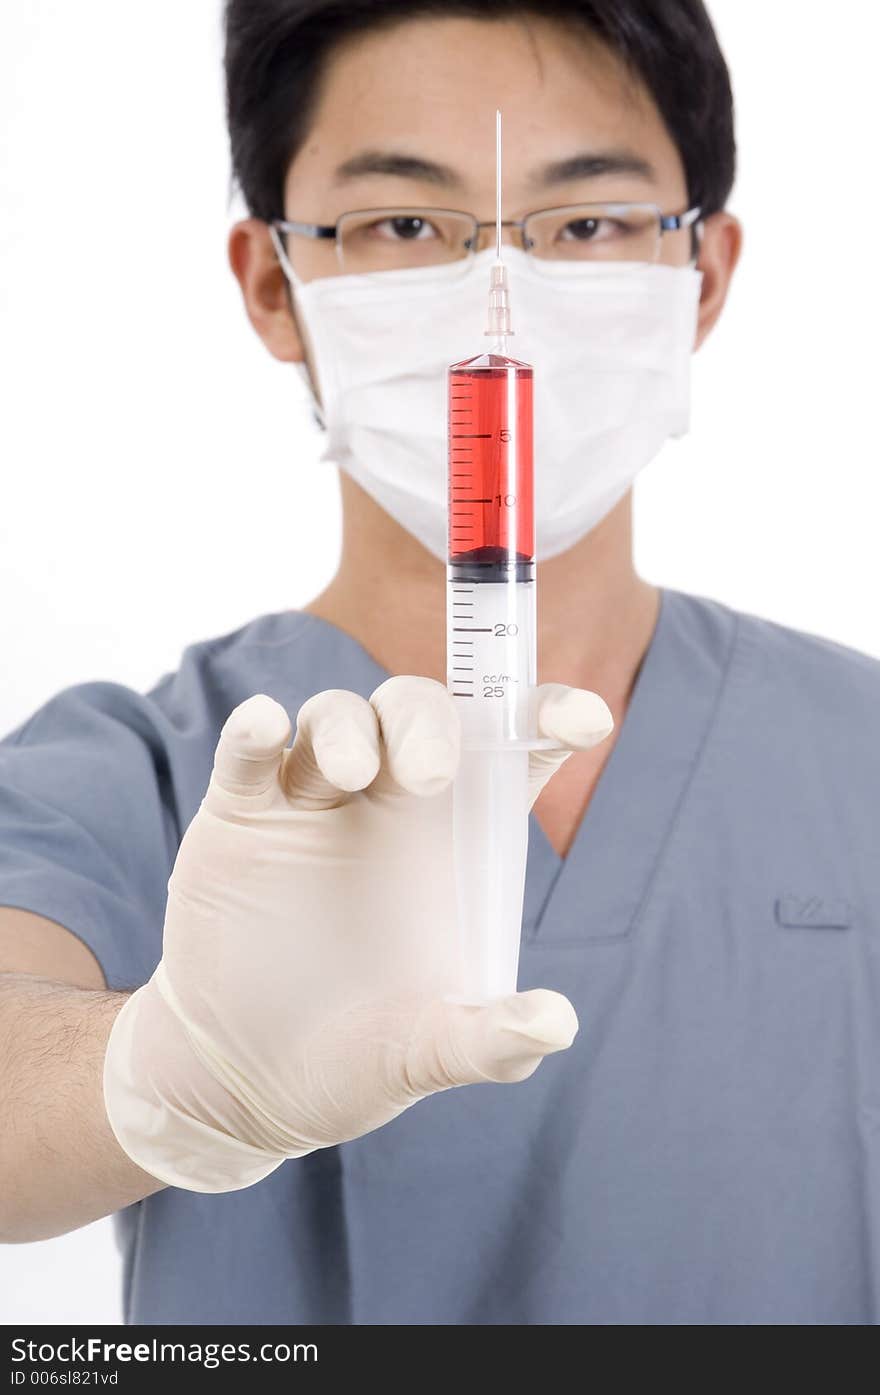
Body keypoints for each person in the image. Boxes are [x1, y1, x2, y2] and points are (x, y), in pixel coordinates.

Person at [1, 0, 878, 1327]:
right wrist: (160, 1073)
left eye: (585, 223)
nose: (498, 299)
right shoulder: (145, 771)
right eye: (406, 224)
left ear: (700, 274)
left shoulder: (855, 756)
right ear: (270, 282)